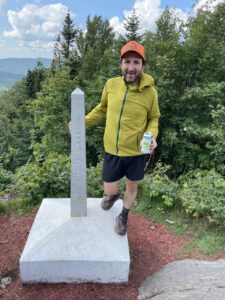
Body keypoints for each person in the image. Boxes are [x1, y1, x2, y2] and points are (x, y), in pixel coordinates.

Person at [69, 40, 160, 235]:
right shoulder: (111, 85)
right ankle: (112, 195)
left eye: (136, 62)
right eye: (127, 61)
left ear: (143, 66)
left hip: (137, 151)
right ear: (120, 64)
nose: (131, 67)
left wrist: (152, 135)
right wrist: (81, 122)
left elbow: (154, 118)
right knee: (109, 187)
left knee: (132, 185)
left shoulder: (150, 92)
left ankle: (124, 215)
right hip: (112, 148)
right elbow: (102, 108)